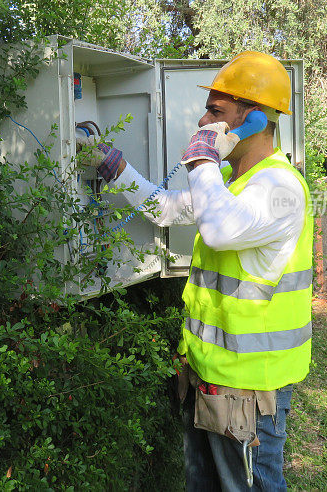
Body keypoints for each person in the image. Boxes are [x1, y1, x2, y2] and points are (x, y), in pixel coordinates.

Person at [78, 51, 313, 491]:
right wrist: (116, 167)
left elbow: (220, 229)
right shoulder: (232, 181)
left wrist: (202, 160)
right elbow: (166, 208)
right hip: (208, 376)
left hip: (248, 390)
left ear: (254, 120)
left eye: (216, 112)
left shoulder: (280, 189)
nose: (204, 119)